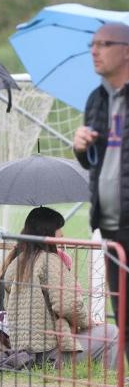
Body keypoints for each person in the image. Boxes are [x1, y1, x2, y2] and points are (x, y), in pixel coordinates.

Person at [0, 207, 119, 370]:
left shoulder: (17, 263)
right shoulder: (50, 261)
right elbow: (69, 306)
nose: (62, 234)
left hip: (23, 354)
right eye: (58, 229)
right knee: (112, 333)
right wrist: (88, 323)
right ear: (48, 232)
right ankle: (112, 379)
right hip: (50, 355)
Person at [73, 22, 129, 360]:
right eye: (92, 44)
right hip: (109, 227)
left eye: (104, 44)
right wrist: (81, 148)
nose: (94, 51)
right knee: (124, 318)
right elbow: (94, 161)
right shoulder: (96, 98)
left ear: (126, 50)